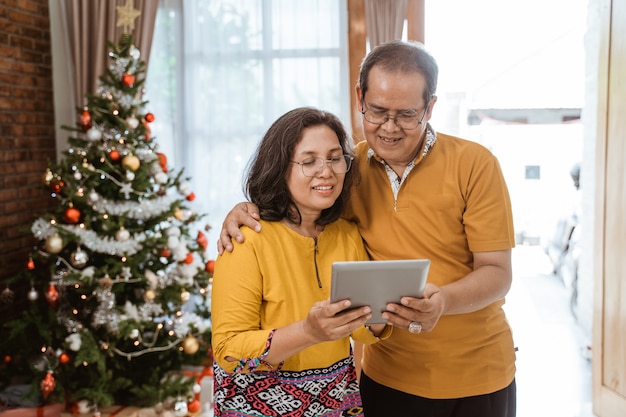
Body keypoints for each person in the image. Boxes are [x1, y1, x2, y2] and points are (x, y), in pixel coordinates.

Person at [218, 40, 517, 417]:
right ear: (360, 97)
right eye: (377, 111)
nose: (389, 128)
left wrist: (442, 302)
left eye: (407, 114)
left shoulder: (475, 164)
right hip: (386, 375)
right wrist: (245, 208)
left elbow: (497, 273)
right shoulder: (347, 168)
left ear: (430, 107)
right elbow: (297, 193)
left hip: (476, 373)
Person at [210, 107, 390, 417]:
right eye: (309, 162)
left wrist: (385, 309)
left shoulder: (346, 233)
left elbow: (361, 331)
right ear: (280, 168)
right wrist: (309, 331)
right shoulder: (247, 238)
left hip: (336, 401)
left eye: (335, 158)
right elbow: (229, 352)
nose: (327, 171)